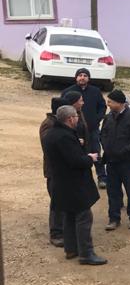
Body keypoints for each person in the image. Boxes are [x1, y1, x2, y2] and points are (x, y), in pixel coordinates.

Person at [42, 105, 106, 266]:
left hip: (61, 182)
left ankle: (71, 249)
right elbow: (76, 161)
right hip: (74, 184)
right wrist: (90, 158)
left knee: (69, 216)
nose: (78, 119)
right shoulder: (65, 136)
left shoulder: (52, 134)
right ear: (70, 119)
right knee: (84, 217)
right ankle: (86, 253)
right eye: (76, 117)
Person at [100, 89, 130, 231]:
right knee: (112, 191)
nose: (108, 104)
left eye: (110, 102)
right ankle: (114, 218)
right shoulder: (109, 117)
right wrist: (106, 146)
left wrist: (127, 149)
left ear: (119, 103)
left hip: (129, 161)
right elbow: (103, 133)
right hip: (112, 161)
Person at [62, 67, 106, 187]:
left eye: (85, 75)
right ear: (76, 78)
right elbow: (62, 108)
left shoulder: (95, 91)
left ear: (89, 78)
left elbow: (102, 106)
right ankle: (81, 179)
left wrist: (97, 119)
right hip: (75, 130)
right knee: (78, 154)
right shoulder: (68, 92)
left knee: (96, 152)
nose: (82, 77)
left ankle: (102, 177)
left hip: (92, 129)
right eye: (80, 75)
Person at [40, 97, 69, 248]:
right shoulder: (49, 125)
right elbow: (49, 146)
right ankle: (56, 234)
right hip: (54, 171)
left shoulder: (59, 123)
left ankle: (65, 229)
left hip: (64, 170)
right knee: (57, 203)